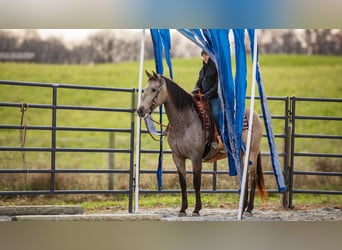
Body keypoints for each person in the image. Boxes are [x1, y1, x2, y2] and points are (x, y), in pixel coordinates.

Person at [192, 50, 222, 136]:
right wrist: (194, 90)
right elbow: (199, 82)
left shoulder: (216, 67)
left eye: (206, 55)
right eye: (203, 55)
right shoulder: (203, 69)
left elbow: (217, 85)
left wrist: (207, 95)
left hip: (214, 97)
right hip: (204, 97)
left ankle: (222, 138)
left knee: (216, 114)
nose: (205, 57)